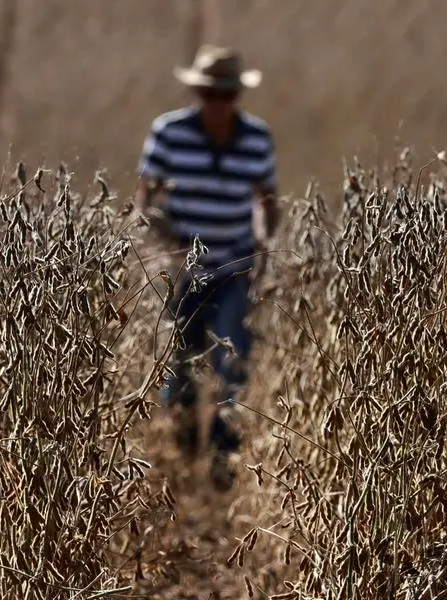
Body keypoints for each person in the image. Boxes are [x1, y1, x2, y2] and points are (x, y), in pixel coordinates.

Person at [134, 44, 280, 491]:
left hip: (234, 268)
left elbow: (269, 201)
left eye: (227, 95)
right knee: (179, 362)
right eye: (211, 94)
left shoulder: (257, 138)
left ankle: (223, 460)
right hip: (182, 269)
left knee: (230, 358)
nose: (219, 103)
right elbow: (146, 200)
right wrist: (171, 245)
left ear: (237, 96)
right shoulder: (169, 133)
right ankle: (179, 458)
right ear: (198, 93)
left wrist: (261, 251)